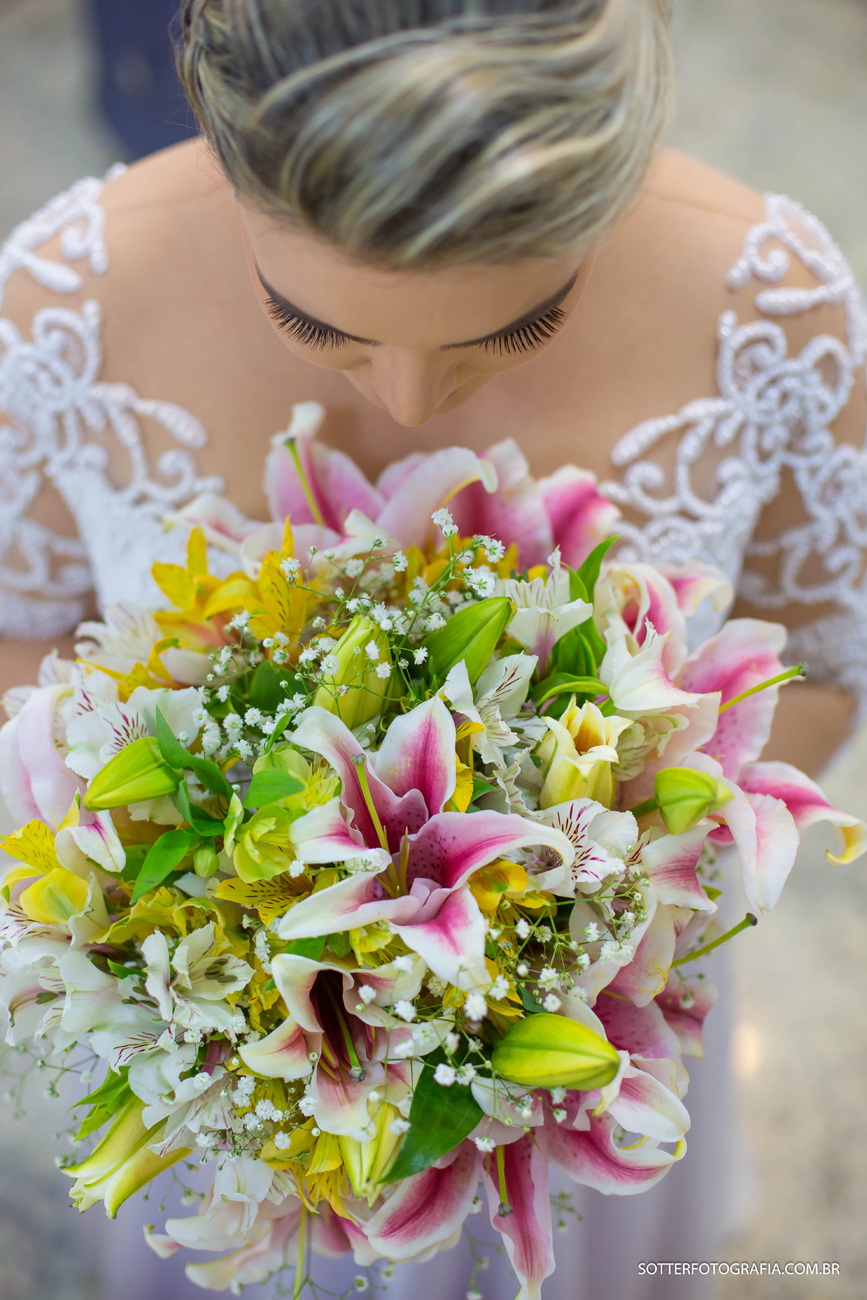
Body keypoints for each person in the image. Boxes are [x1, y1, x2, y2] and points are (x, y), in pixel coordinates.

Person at [0, 1, 864, 1296]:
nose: (404, 405)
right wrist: (196, 945)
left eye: (519, 326)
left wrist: (579, 929)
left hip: (580, 1038)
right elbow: (20, 636)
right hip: (225, 1074)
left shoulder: (770, 312)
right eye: (312, 322)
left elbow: (819, 668)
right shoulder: (74, 297)